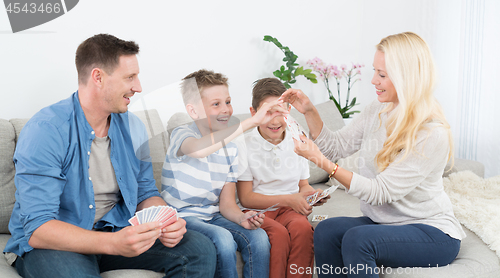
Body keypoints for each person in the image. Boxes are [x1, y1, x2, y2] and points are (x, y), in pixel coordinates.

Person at [3, 34, 217, 278]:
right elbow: (38, 228)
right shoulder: (46, 130)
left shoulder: (134, 127)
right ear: (98, 77)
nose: (138, 87)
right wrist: (114, 244)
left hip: (115, 230)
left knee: (199, 249)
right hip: (56, 242)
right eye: (129, 77)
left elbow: (146, 193)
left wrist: (166, 221)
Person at [280, 32, 465, 277]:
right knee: (326, 230)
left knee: (359, 239)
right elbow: (337, 147)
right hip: (386, 224)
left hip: (432, 232)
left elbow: (381, 192)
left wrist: (320, 162)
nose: (373, 81)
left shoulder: (430, 133)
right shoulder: (378, 110)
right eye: (374, 71)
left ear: (406, 77)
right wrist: (309, 111)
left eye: (382, 75)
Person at [161, 70, 287, 278]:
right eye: (216, 104)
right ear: (193, 111)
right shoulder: (182, 134)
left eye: (227, 102)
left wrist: (241, 218)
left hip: (215, 216)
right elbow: (199, 149)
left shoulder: (231, 149)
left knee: (259, 238)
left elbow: (226, 203)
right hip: (184, 216)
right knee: (223, 239)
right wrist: (251, 122)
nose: (226, 110)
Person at [237, 78, 329, 278]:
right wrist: (289, 199)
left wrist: (312, 195)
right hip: (257, 210)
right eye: (268, 112)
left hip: (289, 209)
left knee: (303, 228)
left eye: (281, 111)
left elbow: (303, 185)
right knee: (278, 236)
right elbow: (245, 198)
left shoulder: (298, 139)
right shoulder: (244, 144)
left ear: (289, 111)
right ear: (254, 114)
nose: (275, 120)